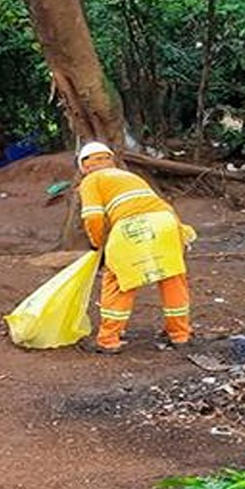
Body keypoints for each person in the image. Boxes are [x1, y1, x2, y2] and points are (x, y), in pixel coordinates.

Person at [73, 142, 194, 354]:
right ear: (110, 159)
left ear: (84, 165)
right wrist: (179, 236)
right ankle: (180, 334)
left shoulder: (91, 180)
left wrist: (98, 243)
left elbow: (92, 217)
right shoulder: (129, 177)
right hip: (166, 222)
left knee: (119, 281)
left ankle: (108, 339)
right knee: (172, 277)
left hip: (130, 226)